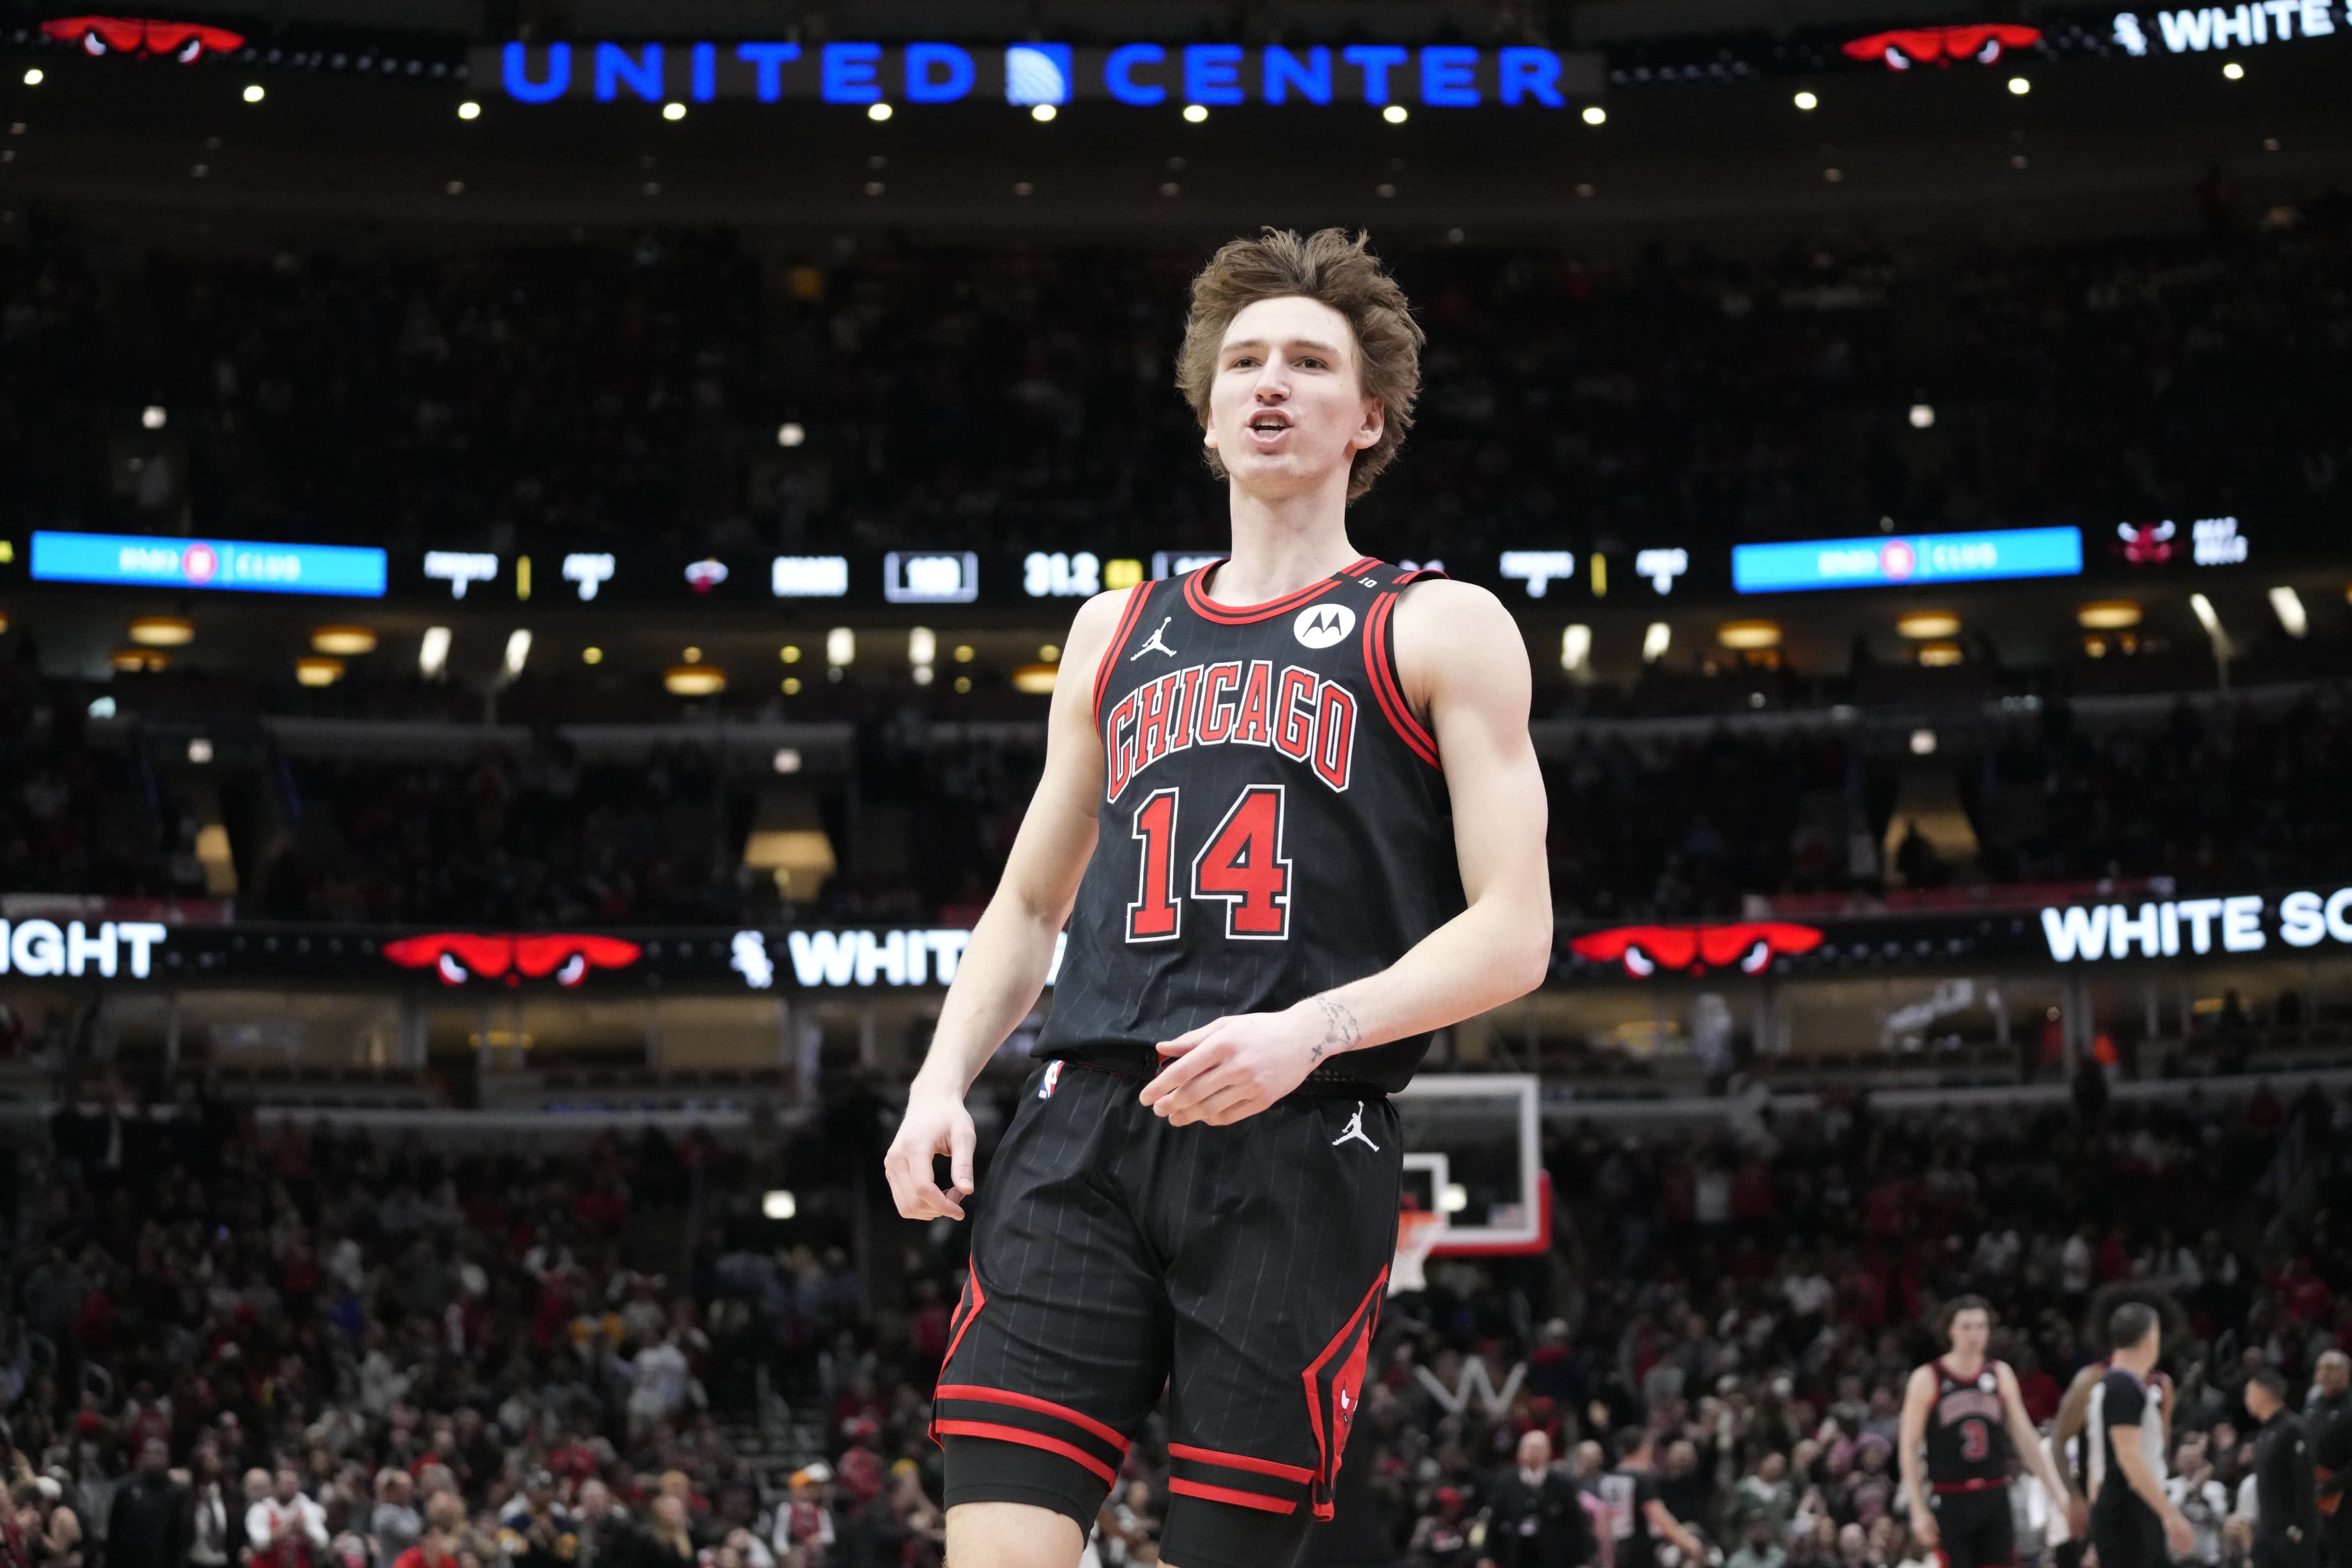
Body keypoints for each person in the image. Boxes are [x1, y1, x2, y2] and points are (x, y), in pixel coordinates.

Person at [882, 226, 1552, 1568]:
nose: (1270, 383)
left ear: (1369, 416)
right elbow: (1027, 910)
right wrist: (940, 1080)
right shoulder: (1113, 630)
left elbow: (1515, 929)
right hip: (1080, 1135)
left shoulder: (1438, 623)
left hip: (1299, 1137)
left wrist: (1311, 1030)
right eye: (1243, 360)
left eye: (1310, 362)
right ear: (1205, 411)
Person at [1897, 1296, 2079, 1568]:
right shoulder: (1928, 1378)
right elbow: (1909, 1447)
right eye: (1967, 1327)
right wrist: (1918, 1509)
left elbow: (2026, 1438)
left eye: (1981, 1327)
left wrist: (2058, 1493)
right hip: (1949, 1497)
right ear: (1950, 1330)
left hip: (1995, 1495)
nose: (1974, 1334)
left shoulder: (2000, 1374)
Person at [2086, 1304, 2195, 1568]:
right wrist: (2171, 1515)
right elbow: (2129, 1458)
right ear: (2151, 1337)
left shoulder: (2112, 1385)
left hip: (2125, 1508)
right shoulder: (2123, 1387)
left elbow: (2098, 1462)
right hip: (2129, 1510)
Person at [1482, 1431, 1595, 1568]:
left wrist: (1583, 1559)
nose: (1534, 1452)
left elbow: (1577, 1522)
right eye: (1530, 1448)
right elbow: (1494, 1521)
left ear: (1548, 1452)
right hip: (1516, 1554)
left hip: (1554, 1555)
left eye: (1538, 1448)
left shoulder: (1562, 1483)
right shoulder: (1506, 1483)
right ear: (1521, 1452)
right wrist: (1487, 1556)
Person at [2243, 1371, 2318, 1568]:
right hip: (2267, 1529)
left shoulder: (2293, 1429)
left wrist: (2297, 1528)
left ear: (2264, 1393)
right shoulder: (2265, 1432)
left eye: (2250, 1392)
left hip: (2289, 1532)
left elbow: (2306, 1482)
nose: (2246, 1399)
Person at [1597, 1430, 1704, 1568]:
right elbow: (1658, 1515)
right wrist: (1687, 1542)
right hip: (1639, 1550)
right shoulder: (1641, 1479)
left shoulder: (1609, 1478)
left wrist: (1607, 1557)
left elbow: (1602, 1522)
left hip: (1618, 1549)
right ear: (1643, 1449)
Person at [105, 1439, 188, 1568]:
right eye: (149, 1452)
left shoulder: (178, 1493)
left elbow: (181, 1537)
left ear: (167, 1458)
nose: (154, 1457)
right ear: (142, 1457)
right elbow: (114, 1531)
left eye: (159, 1453)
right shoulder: (126, 1489)